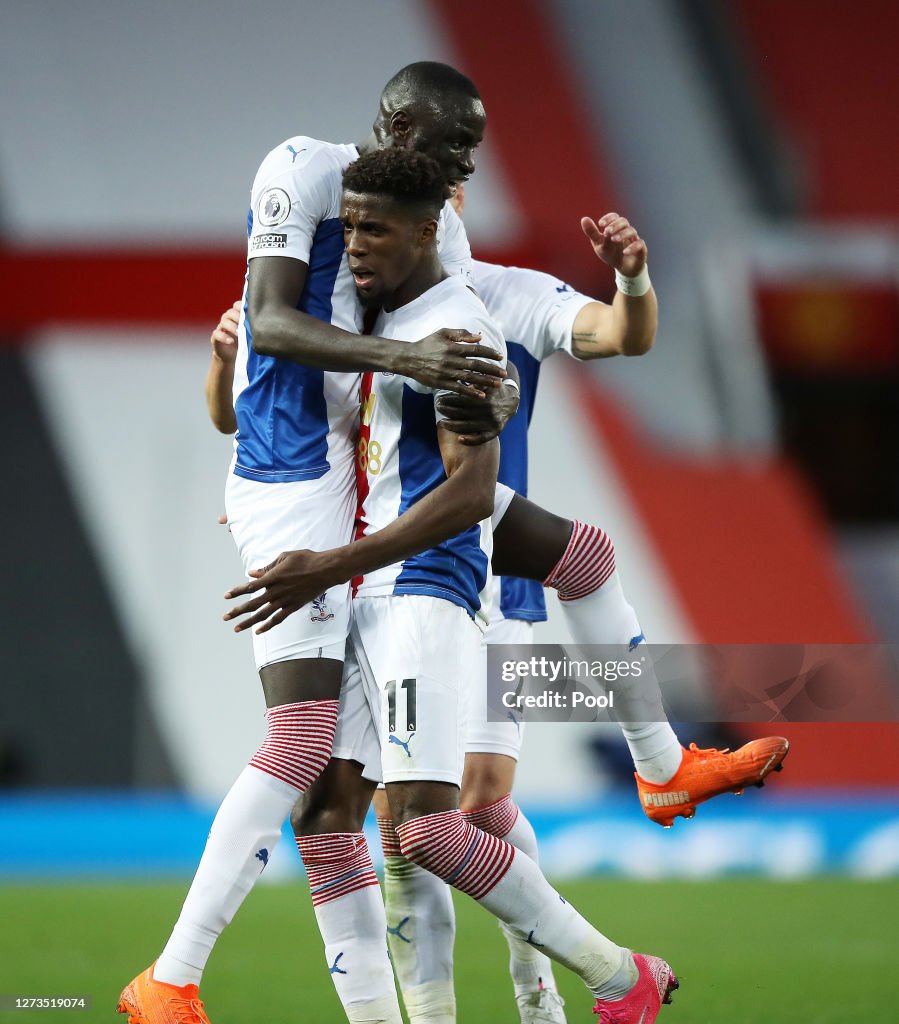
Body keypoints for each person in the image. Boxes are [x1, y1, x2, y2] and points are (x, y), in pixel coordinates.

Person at [117, 61, 509, 1024]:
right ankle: (170, 976)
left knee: (335, 796)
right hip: (289, 480)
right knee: (299, 743)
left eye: (474, 145)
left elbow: (452, 346)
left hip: (355, 488)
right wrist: (403, 357)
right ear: (392, 122)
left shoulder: (441, 226)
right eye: (450, 137)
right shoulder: (299, 168)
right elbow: (272, 320)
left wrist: (485, 388)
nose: (465, 159)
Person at [282, 145, 678, 1024]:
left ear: (441, 210)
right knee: (343, 815)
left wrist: (634, 284)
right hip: (367, 587)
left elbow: (470, 488)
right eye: (347, 224)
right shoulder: (362, 305)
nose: (353, 242)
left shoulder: (472, 317)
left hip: (432, 581)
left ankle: (602, 974)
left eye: (371, 227)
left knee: (453, 810)